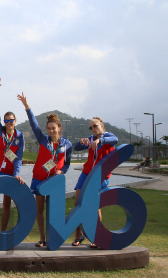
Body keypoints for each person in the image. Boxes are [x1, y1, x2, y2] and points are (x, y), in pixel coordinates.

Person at [17, 92, 72, 248]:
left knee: (53, 211)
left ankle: (53, 238)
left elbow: (67, 163)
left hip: (54, 181)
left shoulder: (66, 144)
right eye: (49, 128)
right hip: (39, 179)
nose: (51, 131)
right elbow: (33, 123)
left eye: (53, 128)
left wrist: (62, 171)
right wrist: (27, 107)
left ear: (59, 128)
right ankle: (42, 238)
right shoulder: (43, 139)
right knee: (39, 209)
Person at [72, 117, 117, 248]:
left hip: (100, 176)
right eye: (91, 127)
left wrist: (100, 140)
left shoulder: (108, 137)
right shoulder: (91, 139)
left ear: (102, 125)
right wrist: (80, 142)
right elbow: (76, 147)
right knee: (77, 203)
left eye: (95, 126)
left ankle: (96, 236)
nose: (93, 129)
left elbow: (115, 140)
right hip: (86, 174)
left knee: (94, 206)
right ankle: (78, 236)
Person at [0, 78, 25, 231]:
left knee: (7, 206)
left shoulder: (19, 136)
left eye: (11, 120)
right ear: (4, 122)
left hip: (9, 173)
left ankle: (3, 233)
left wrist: (16, 173)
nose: (9, 122)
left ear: (15, 121)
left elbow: (18, 158)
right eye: (7, 120)